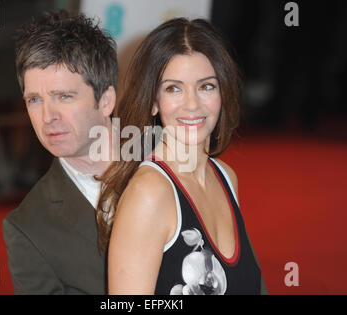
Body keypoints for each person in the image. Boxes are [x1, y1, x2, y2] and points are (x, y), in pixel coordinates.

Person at [97, 18, 268, 295]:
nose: (192, 104)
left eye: (206, 86)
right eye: (173, 88)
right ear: (153, 101)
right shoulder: (149, 194)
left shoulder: (226, 177)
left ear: (223, 93)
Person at [2, 10, 117, 294]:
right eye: (35, 100)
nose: (47, 116)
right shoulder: (29, 228)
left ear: (106, 101)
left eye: (63, 96)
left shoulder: (172, 160)